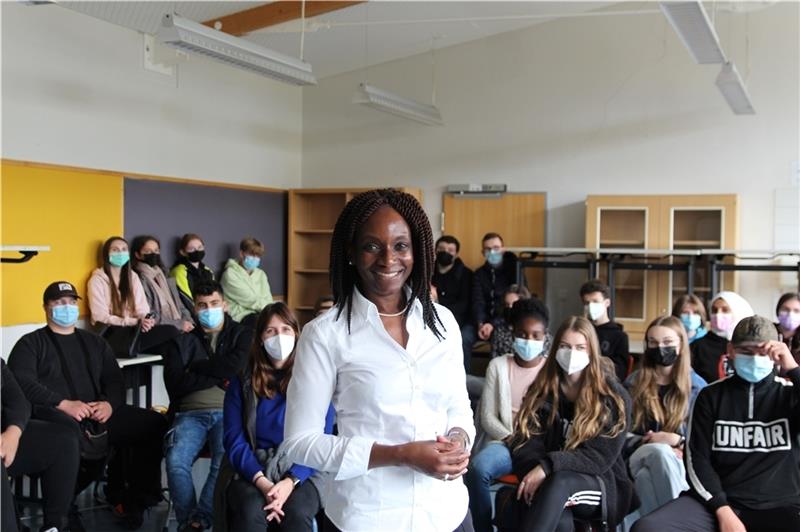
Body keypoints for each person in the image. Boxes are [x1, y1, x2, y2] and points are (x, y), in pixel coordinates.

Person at [282, 189, 475, 531]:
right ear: (352, 253)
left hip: (446, 513)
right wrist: (399, 454)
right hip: (369, 515)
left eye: (401, 245)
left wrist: (459, 439)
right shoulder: (326, 334)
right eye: (372, 246)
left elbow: (458, 405)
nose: (388, 259)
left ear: (417, 252)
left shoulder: (442, 322)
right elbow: (301, 443)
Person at [8, 281, 168, 530]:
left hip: (99, 412)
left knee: (152, 423)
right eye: (59, 303)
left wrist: (109, 405)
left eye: (72, 302)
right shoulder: (30, 344)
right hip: (57, 415)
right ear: (46, 307)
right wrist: (62, 404)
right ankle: (63, 510)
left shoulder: (95, 343)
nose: (67, 307)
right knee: (69, 438)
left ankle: (133, 499)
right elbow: (21, 383)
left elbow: (115, 380)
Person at [632, 315, 800, 532]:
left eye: (762, 352)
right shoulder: (710, 395)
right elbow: (697, 460)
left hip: (780, 503)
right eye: (746, 352)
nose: (755, 359)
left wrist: (793, 369)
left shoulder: (790, 393)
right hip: (717, 501)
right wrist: (722, 510)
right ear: (730, 350)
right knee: (648, 527)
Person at [504, 316, 633, 532]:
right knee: (561, 517)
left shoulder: (613, 396)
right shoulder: (542, 389)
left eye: (580, 347)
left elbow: (599, 458)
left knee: (560, 484)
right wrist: (539, 467)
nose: (572, 353)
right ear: (555, 350)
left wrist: (547, 467)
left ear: (591, 352)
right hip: (552, 479)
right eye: (564, 346)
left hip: (599, 481)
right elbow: (524, 439)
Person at [220, 302, 335, 531]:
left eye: (285, 330)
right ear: (260, 338)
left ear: (296, 334)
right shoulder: (242, 382)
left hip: (304, 467)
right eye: (270, 331)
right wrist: (262, 482)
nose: (279, 337)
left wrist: (290, 481)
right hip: (253, 467)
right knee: (251, 510)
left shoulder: (316, 379)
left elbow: (322, 437)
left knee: (296, 512)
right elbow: (234, 440)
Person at [162, 281, 252, 532]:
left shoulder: (242, 334)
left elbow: (235, 367)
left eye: (214, 304)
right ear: (195, 308)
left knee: (224, 457)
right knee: (175, 458)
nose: (208, 309)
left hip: (228, 412)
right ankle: (188, 522)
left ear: (224, 304)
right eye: (202, 305)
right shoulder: (181, 342)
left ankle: (200, 519)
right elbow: (176, 383)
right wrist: (220, 374)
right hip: (189, 413)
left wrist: (197, 367)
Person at [465, 297, 551, 532]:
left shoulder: (551, 371)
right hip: (505, 441)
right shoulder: (498, 365)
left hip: (540, 446)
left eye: (535, 335)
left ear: (545, 337)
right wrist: (513, 439)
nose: (529, 340)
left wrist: (530, 443)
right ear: (513, 334)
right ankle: (482, 528)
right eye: (523, 334)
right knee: (478, 469)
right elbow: (488, 417)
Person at [624, 315, 706, 518]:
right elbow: (618, 434)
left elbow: (705, 442)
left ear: (681, 345)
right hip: (637, 455)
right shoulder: (632, 384)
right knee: (660, 452)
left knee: (645, 479)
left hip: (681, 465)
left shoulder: (698, 387)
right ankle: (681, 521)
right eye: (653, 342)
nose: (660, 348)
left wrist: (678, 441)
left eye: (668, 342)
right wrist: (648, 440)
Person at [1, 359, 80, 532]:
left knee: (63, 441)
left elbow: (18, 401)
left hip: (5, 436)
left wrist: (13, 433)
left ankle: (54, 526)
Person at [88, 236, 177, 356]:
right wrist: (133, 322)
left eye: (124, 249)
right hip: (112, 334)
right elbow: (100, 317)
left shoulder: (132, 277)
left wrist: (146, 320)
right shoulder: (97, 280)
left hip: (134, 330)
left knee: (172, 347)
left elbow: (143, 308)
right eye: (115, 250)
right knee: (171, 332)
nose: (120, 253)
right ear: (106, 254)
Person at [130, 235, 195, 333]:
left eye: (156, 250)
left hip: (180, 327)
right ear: (137, 255)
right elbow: (149, 314)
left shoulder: (165, 274)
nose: (154, 254)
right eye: (148, 251)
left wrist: (189, 321)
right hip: (159, 331)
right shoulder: (137, 279)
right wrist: (179, 325)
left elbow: (180, 304)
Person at [690, 291, 753, 384]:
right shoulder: (698, 346)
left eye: (725, 310)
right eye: (714, 310)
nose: (718, 314)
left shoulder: (751, 345)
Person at [432, 235, 475, 370]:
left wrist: (439, 304)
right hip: (431, 317)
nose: (446, 252)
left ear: (456, 254)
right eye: (442, 249)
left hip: (459, 319)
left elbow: (465, 304)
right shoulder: (427, 271)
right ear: (435, 250)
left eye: (450, 250)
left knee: (460, 339)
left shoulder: (467, 274)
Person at [472, 233, 520, 344]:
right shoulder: (478, 274)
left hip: (506, 321)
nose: (492, 252)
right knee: (465, 337)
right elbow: (477, 301)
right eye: (488, 249)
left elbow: (515, 302)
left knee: (499, 337)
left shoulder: (514, 271)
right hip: (481, 321)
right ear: (483, 252)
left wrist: (493, 324)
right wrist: (480, 323)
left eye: (496, 248)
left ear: (503, 250)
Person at [579, 279, 630, 382]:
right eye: (587, 303)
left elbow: (619, 373)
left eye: (595, 302)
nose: (590, 306)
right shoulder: (580, 332)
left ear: (607, 303)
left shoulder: (619, 336)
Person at [220, 237, 274, 326]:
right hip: (240, 316)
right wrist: (271, 309)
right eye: (252, 255)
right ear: (242, 253)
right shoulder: (230, 274)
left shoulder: (261, 274)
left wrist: (273, 311)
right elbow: (249, 300)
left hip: (261, 313)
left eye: (258, 256)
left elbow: (267, 297)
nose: (255, 259)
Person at [170, 233, 215, 306]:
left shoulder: (208, 271)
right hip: (193, 313)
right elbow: (187, 300)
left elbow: (214, 295)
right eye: (192, 249)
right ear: (183, 252)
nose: (197, 251)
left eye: (200, 247)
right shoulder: (179, 272)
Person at [489, 284, 532, 359]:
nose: (510, 308)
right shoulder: (499, 332)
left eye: (514, 304)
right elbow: (494, 359)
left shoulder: (536, 329)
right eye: (507, 305)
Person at [775, 292, 800, 365]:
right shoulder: (767, 331)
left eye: (796, 311)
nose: (790, 314)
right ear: (778, 311)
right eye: (785, 309)